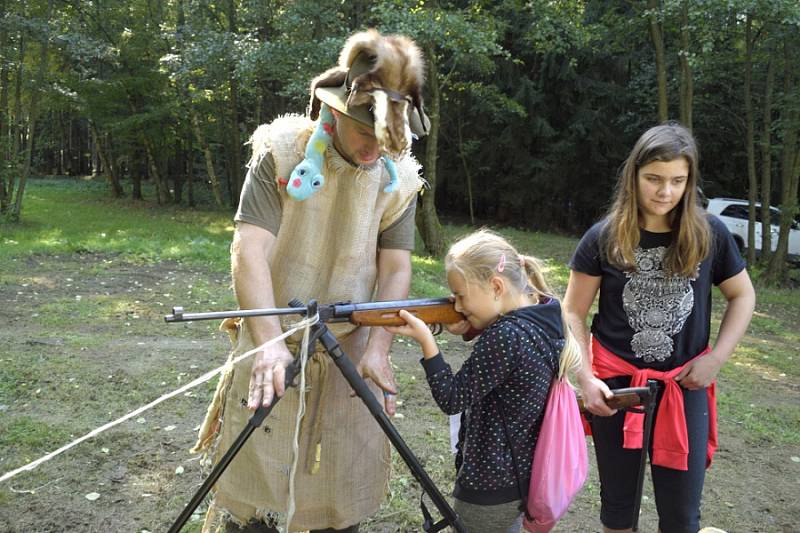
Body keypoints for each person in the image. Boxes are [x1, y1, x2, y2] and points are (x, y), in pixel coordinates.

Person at [192, 30, 430, 533]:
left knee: (341, 488)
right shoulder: (281, 154)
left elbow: (395, 269)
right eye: (365, 135)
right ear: (336, 114)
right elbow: (248, 250)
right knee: (253, 488)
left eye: (385, 139)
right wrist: (267, 343)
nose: (374, 149)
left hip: (351, 339)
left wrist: (379, 344)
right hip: (273, 333)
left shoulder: (399, 179)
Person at [563, 122, 756, 533]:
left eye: (677, 181)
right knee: (618, 510)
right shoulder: (604, 237)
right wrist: (585, 378)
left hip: (684, 387)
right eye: (653, 179)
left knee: (682, 518)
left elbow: (743, 296)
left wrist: (716, 359)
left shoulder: (711, 235)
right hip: (616, 388)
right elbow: (572, 312)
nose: (665, 191)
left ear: (689, 181)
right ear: (633, 175)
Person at [386, 229, 581, 533]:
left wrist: (428, 342)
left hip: (488, 490)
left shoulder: (504, 336)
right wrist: (470, 328)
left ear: (496, 286)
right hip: (516, 480)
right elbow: (505, 367)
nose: (459, 307)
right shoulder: (546, 316)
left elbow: (451, 398)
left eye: (462, 296)